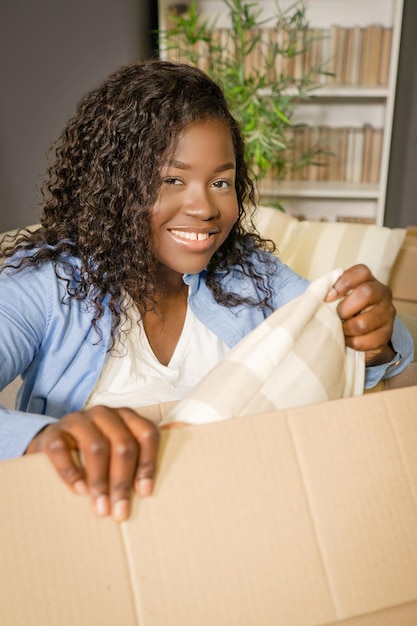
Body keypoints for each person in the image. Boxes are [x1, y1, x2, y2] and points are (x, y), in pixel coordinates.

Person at [0, 59, 413, 521]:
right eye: (171, 180)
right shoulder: (45, 283)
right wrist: (40, 440)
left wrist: (376, 337)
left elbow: (339, 351)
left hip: (242, 518)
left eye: (221, 182)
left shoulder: (252, 275)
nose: (204, 207)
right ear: (114, 186)